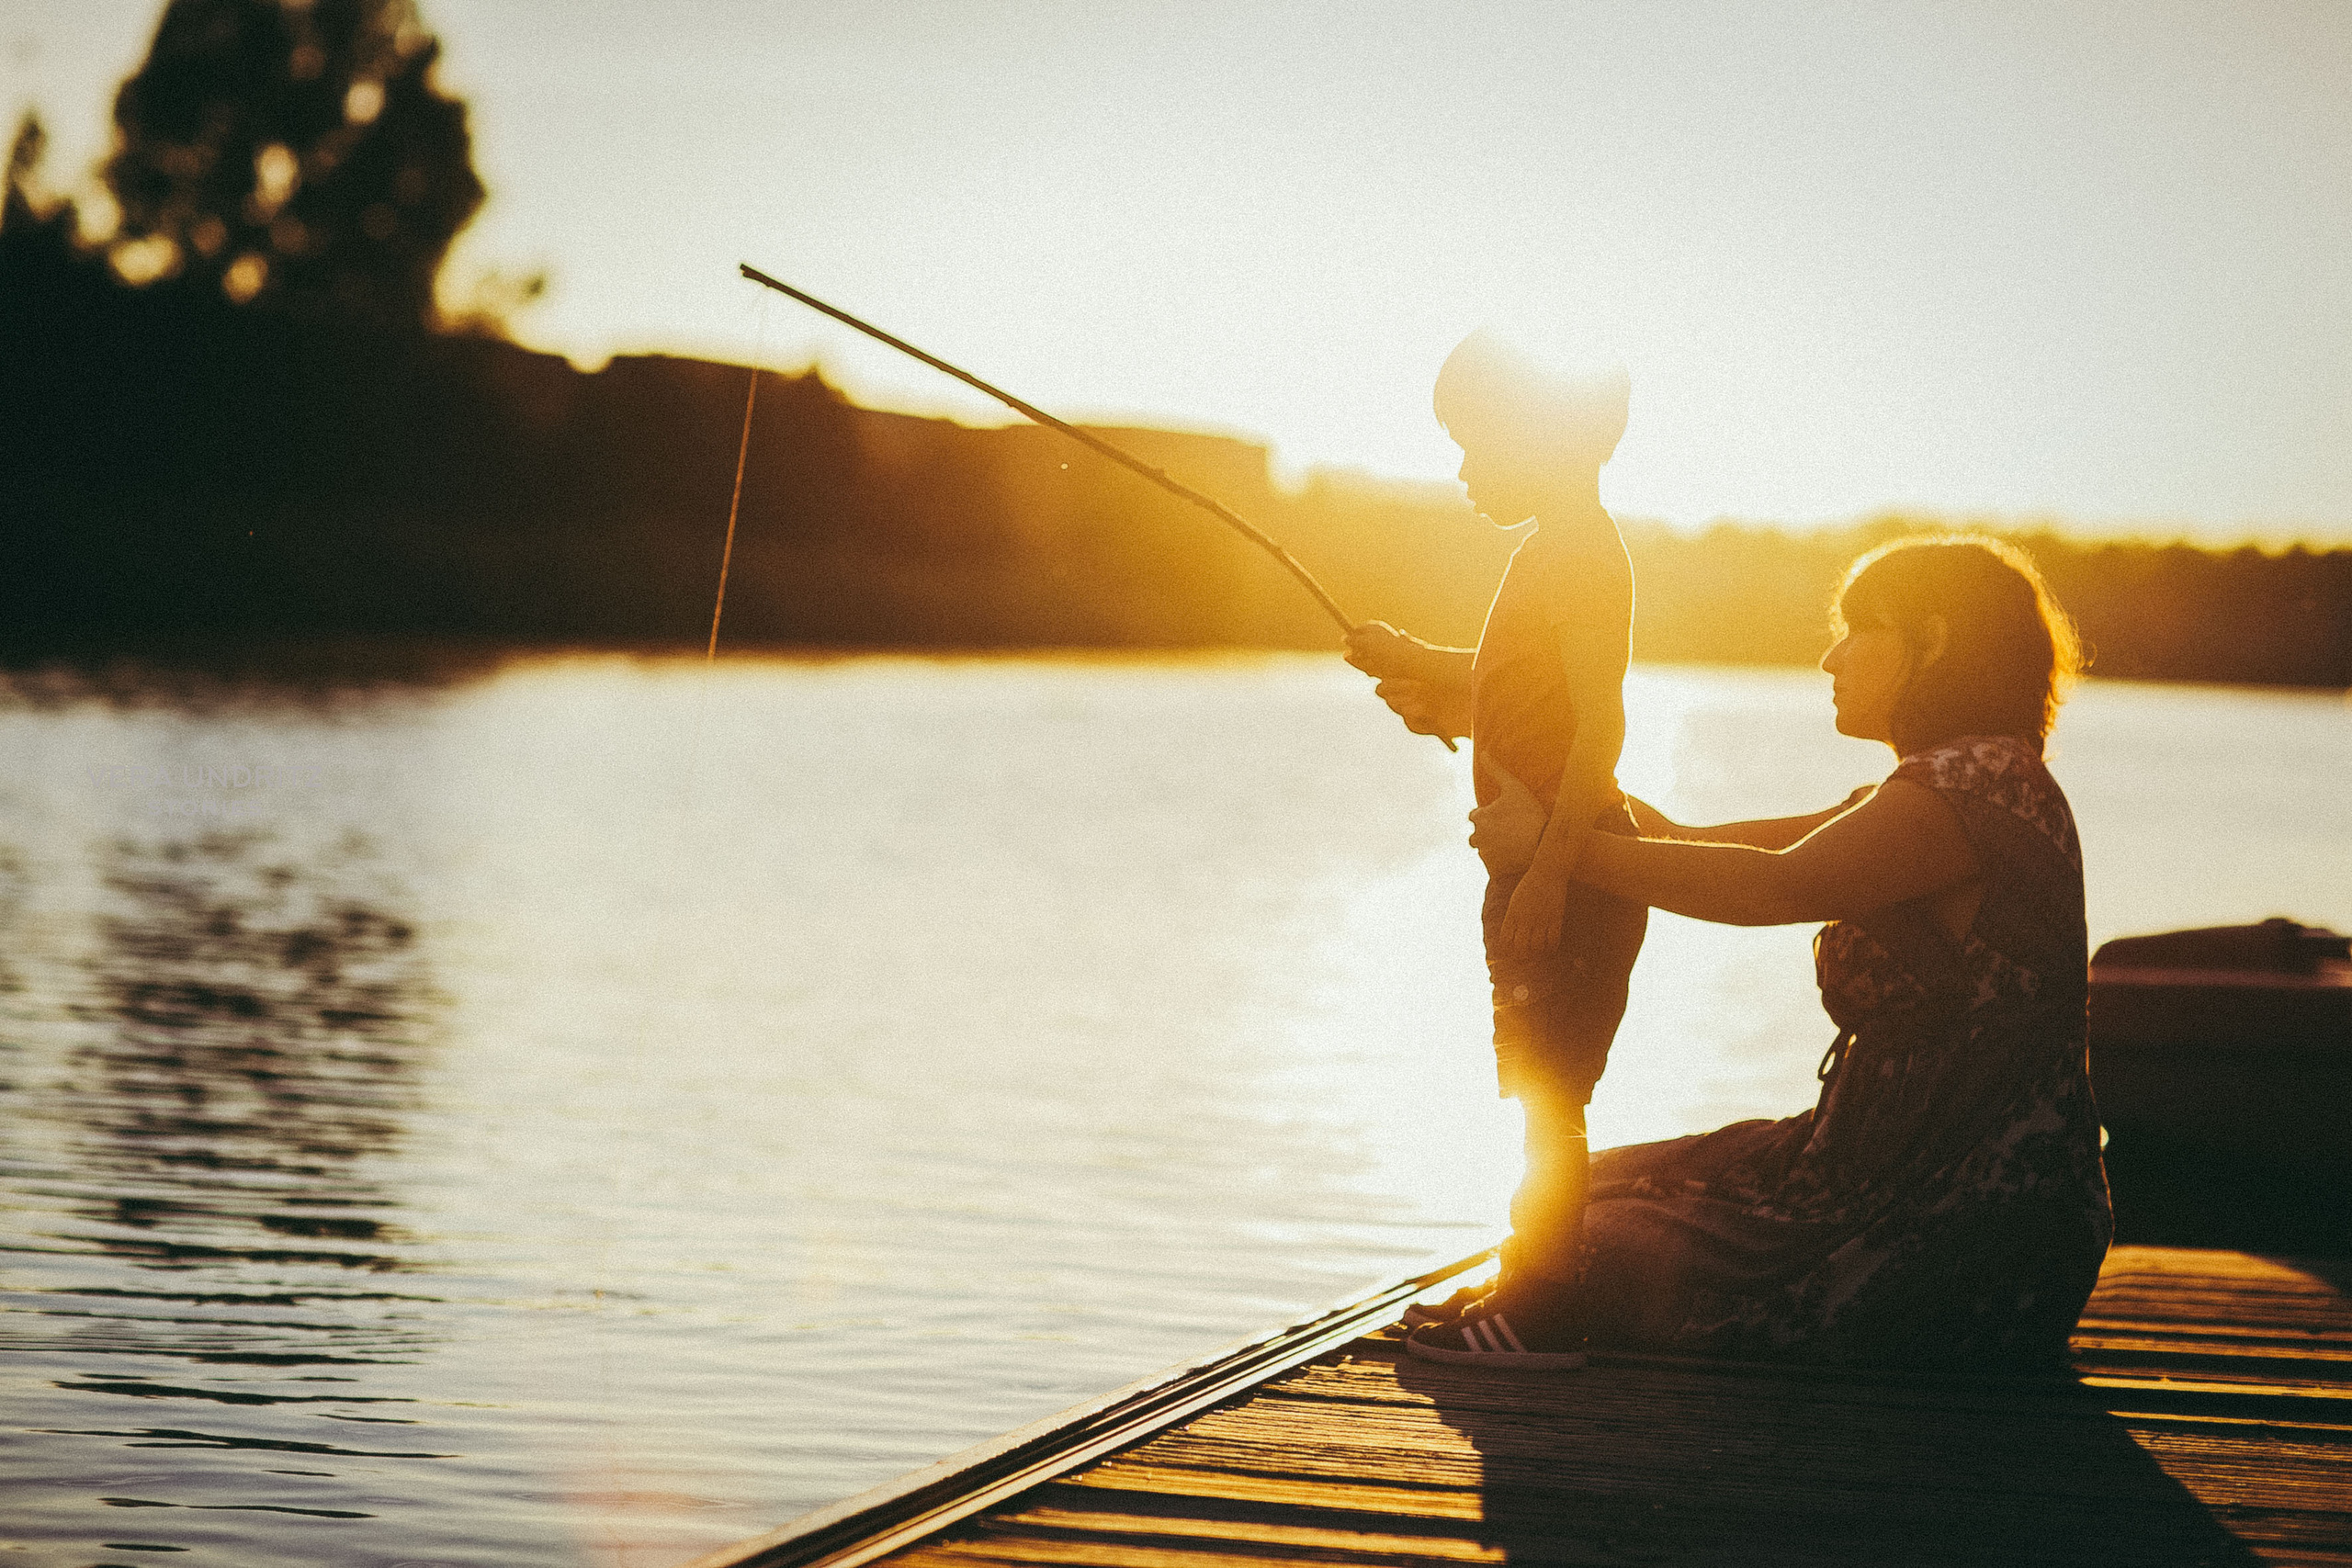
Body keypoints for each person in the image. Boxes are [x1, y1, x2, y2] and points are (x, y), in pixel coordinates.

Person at [1425, 534, 2111, 1371]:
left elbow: (1770, 887)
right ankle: (1529, 1291)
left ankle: (1541, 1307)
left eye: (1859, 629)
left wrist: (1553, 851)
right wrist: (1510, 747)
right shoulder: (1933, 788)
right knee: (1588, 1183)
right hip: (1860, 1168)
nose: (1831, 657)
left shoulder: (1978, 787)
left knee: (1593, 1234)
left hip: (1965, 1224)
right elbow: (1691, 843)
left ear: (1931, 640)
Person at [1344, 329, 1648, 1369]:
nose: (1465, 470)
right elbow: (1507, 676)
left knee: (1552, 1093)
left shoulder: (1584, 556)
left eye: (1477, 444)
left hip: (1568, 870)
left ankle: (1545, 1306)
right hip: (1535, 868)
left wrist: (1553, 874)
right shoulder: (1551, 550)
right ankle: (1527, 1273)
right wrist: (1413, 660)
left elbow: (1600, 725)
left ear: (1546, 440)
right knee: (1534, 1082)